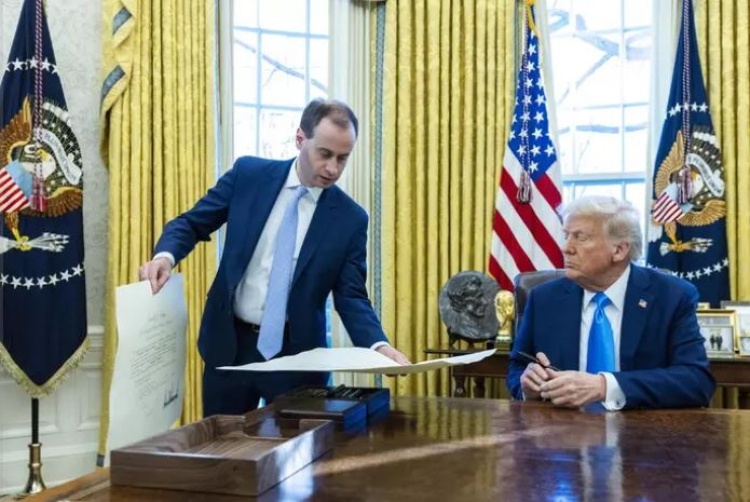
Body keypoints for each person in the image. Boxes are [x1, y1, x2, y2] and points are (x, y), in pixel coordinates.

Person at [139, 99, 409, 417]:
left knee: (296, 448)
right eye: (324, 154)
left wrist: (378, 346)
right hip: (229, 348)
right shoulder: (248, 176)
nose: (332, 168)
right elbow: (192, 223)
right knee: (221, 444)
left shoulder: (350, 219)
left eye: (342, 158)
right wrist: (165, 257)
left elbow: (351, 296)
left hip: (298, 361)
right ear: (300, 138)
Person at [506, 195, 715, 410]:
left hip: (643, 427)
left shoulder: (672, 296)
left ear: (619, 250)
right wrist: (526, 385)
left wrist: (605, 386)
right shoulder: (544, 299)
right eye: (566, 235)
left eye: (580, 237)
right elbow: (518, 365)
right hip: (562, 426)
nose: (566, 248)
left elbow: (696, 381)